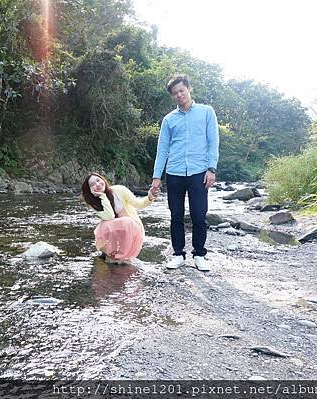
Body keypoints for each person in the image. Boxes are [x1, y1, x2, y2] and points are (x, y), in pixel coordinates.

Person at [151, 74, 219, 271]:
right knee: (176, 215)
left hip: (199, 171)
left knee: (199, 215)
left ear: (189, 89)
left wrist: (211, 169)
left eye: (182, 90)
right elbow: (162, 149)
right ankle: (178, 254)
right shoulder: (169, 119)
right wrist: (157, 177)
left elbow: (213, 142)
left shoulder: (207, 112)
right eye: (175, 93)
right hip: (174, 172)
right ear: (172, 96)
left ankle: (199, 254)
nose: (179, 95)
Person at [82, 173, 158, 263]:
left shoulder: (119, 190)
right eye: (92, 184)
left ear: (103, 179)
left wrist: (149, 197)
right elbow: (109, 216)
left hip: (131, 226)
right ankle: (110, 253)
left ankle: (123, 255)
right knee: (105, 225)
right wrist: (103, 197)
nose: (97, 184)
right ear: (90, 190)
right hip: (114, 229)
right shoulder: (94, 202)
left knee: (126, 222)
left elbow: (138, 204)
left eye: (98, 180)